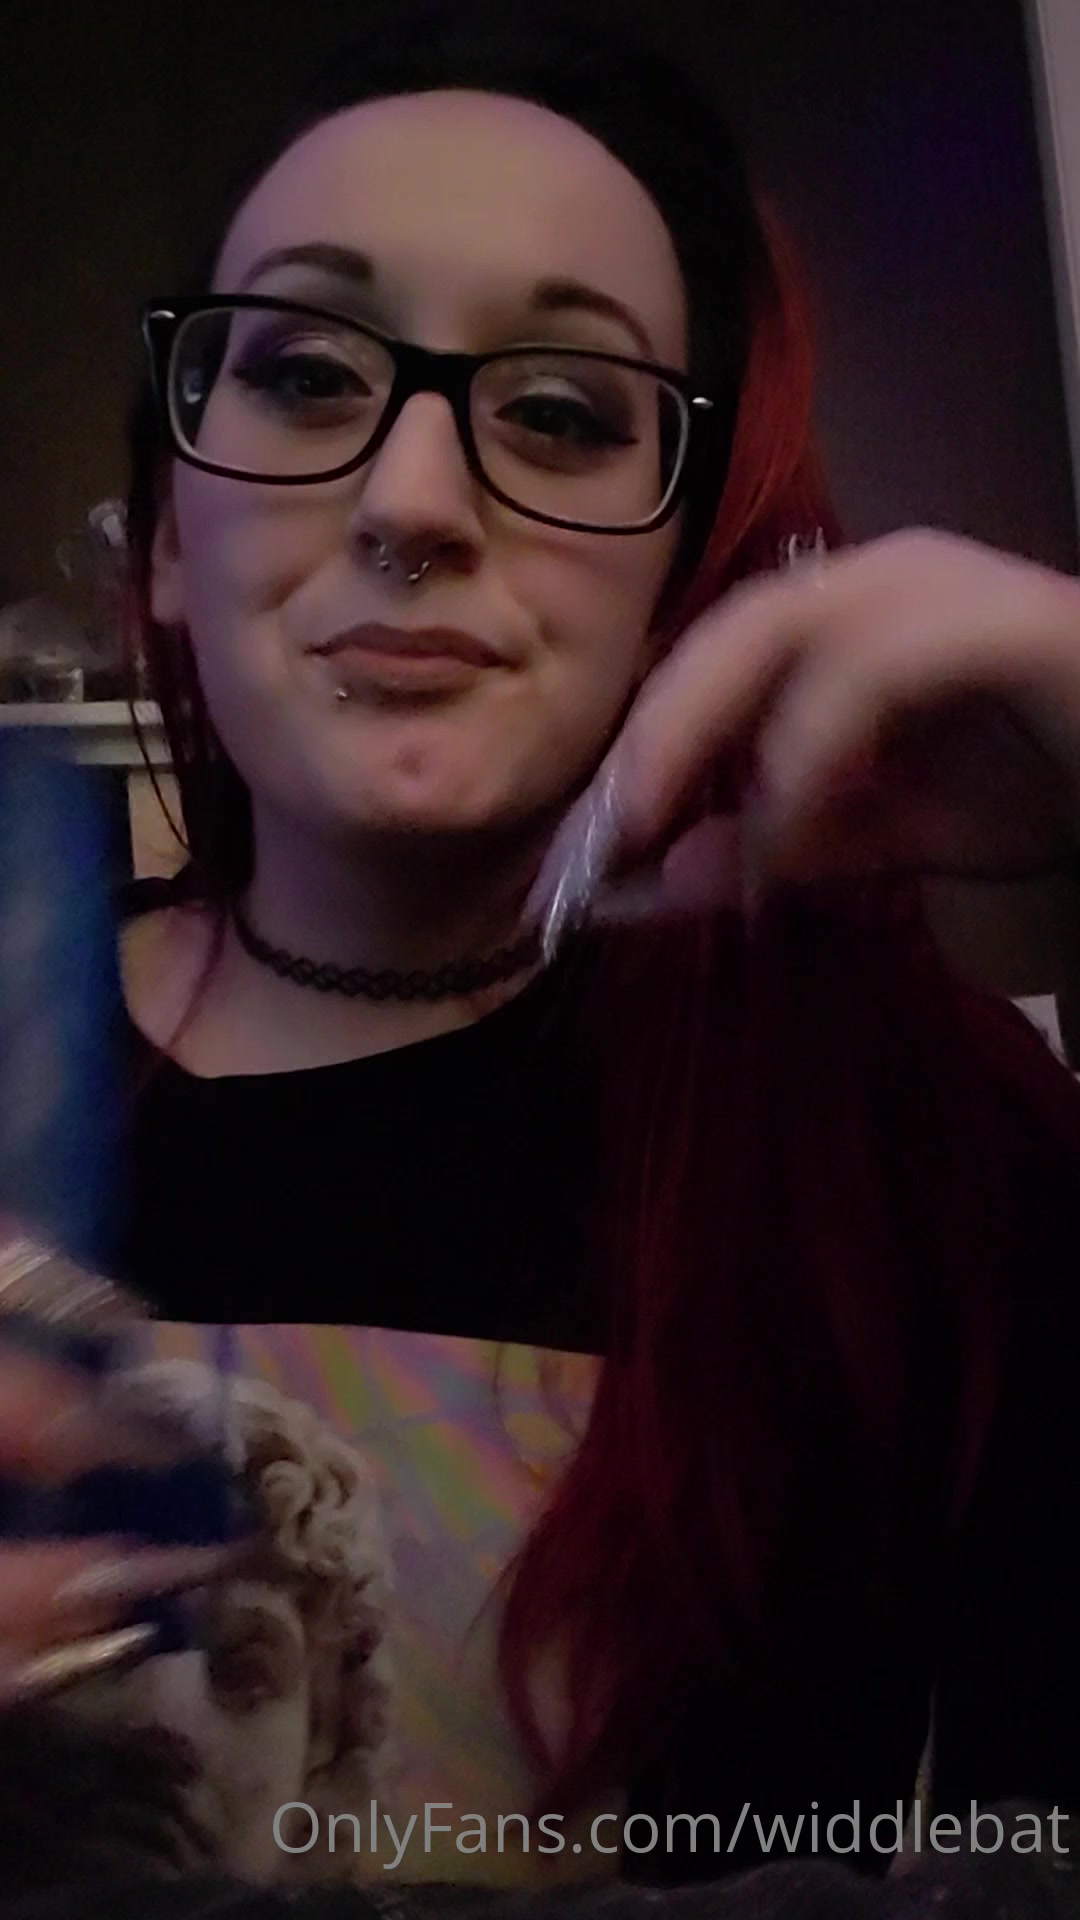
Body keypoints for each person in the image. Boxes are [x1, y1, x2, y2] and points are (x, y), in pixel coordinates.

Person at [2, 3, 1080, 1910]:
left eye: (565, 413)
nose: (414, 504)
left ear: (675, 578)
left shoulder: (920, 1145)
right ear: (166, 536)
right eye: (304, 374)